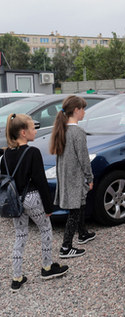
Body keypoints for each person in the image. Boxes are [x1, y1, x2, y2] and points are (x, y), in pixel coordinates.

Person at [1, 113, 68, 293]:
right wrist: (49, 207)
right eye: (33, 128)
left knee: (20, 235)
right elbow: (40, 181)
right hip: (32, 198)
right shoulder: (32, 152)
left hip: (15, 200)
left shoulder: (5, 155)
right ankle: (47, 268)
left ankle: (17, 278)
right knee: (45, 228)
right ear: (23, 132)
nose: (35, 132)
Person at [50, 95, 95, 259]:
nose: (84, 112)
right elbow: (84, 158)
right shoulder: (77, 132)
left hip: (65, 175)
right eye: (83, 109)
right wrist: (89, 178)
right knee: (74, 211)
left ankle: (82, 233)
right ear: (76, 110)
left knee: (80, 202)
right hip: (74, 177)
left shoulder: (62, 130)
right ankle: (66, 247)